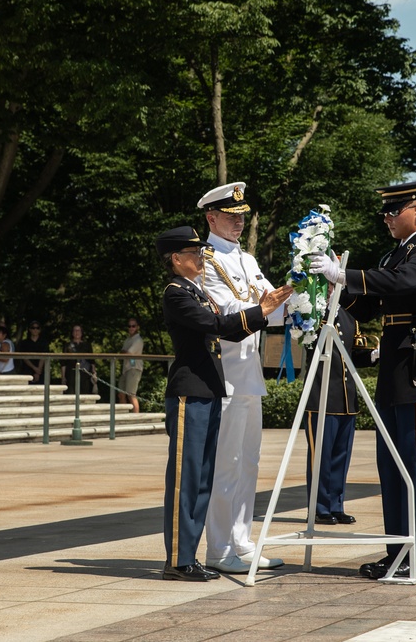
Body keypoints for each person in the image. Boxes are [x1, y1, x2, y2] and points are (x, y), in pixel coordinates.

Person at [311, 178, 416, 581]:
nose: (388, 218)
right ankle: (398, 551)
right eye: (386, 212)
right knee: (391, 463)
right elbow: (370, 304)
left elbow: (402, 283)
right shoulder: (396, 255)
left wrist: (346, 274)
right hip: (396, 366)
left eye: (395, 211)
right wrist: (327, 288)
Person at [155, 226, 292, 581]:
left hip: (209, 390)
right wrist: (260, 310)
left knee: (202, 480)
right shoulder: (176, 293)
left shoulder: (196, 290)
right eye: (194, 253)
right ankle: (178, 561)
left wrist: (266, 310)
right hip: (189, 391)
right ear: (175, 259)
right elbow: (216, 324)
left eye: (201, 252)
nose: (201, 257)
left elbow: (230, 328)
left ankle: (191, 556)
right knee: (186, 480)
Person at [198, 181, 286, 575]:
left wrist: (303, 296)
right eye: (231, 217)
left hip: (249, 375)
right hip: (225, 375)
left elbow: (273, 306)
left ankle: (242, 541)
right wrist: (266, 306)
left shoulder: (248, 260)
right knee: (226, 465)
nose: (238, 223)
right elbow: (228, 309)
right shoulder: (204, 259)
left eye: (241, 217)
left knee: (248, 462)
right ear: (211, 217)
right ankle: (218, 549)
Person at [305, 300, 375, 525]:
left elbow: (352, 355)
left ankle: (336, 505)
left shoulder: (348, 316)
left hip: (347, 399)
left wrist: (374, 355)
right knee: (322, 457)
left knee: (340, 457)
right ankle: (320, 507)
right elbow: (307, 344)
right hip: (322, 396)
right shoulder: (311, 310)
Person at [119, 318, 144, 413]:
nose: (131, 328)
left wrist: (125, 352)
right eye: (129, 326)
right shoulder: (128, 339)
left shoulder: (138, 340)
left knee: (131, 394)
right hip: (125, 369)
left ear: (137, 327)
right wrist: (125, 352)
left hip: (134, 368)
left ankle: (136, 419)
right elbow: (123, 352)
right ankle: (123, 417)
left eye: (133, 326)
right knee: (121, 394)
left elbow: (127, 353)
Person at [63, 325, 94, 396]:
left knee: (84, 393)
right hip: (71, 373)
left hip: (85, 372)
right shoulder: (67, 345)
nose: (77, 332)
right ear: (72, 333)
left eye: (78, 330)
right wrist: (63, 376)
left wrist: (94, 373)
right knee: (71, 393)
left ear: (82, 332)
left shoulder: (87, 345)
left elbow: (92, 360)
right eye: (75, 330)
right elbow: (63, 362)